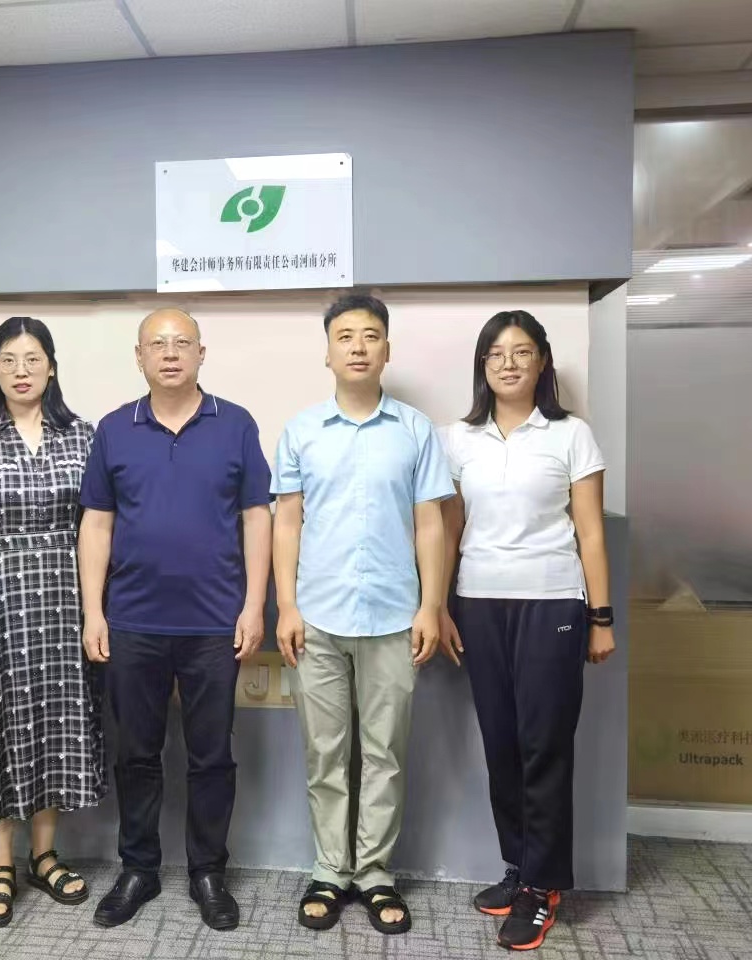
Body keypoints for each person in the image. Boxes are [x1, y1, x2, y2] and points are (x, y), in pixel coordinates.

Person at [78, 308, 272, 931]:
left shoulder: (235, 424)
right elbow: (97, 524)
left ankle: (208, 871)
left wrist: (254, 605)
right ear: (138, 357)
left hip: (215, 623)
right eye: (156, 344)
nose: (169, 353)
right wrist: (94, 612)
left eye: (181, 342)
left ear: (200, 353)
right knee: (136, 753)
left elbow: (257, 517)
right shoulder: (115, 429)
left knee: (211, 755)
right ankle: (139, 868)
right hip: (132, 621)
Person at [271, 294, 452, 935]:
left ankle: (374, 873)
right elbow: (286, 522)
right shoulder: (301, 431)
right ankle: (330, 870)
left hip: (395, 617)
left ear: (387, 349)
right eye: (345, 335)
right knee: (325, 753)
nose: (357, 346)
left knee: (385, 754)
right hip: (317, 618)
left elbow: (430, 523)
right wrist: (286, 605)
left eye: (370, 335)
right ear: (327, 352)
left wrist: (432, 605)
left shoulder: (415, 430)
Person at [439, 310, 614, 952]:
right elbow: (449, 530)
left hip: (552, 601)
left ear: (542, 362)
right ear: (482, 366)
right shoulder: (458, 438)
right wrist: (439, 606)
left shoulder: (571, 435)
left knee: (545, 745)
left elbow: (590, 532)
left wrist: (600, 617)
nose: (508, 363)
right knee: (502, 744)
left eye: (521, 351)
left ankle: (543, 886)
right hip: (479, 602)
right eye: (496, 353)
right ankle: (518, 865)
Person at [0, 317, 106, 929]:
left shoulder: (83, 435)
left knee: (56, 724)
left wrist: (95, 609)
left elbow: (96, 525)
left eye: (32, 359)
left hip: (65, 597)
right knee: (0, 725)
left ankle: (44, 856)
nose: (21, 371)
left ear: (52, 367)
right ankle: (1, 867)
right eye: (8, 360)